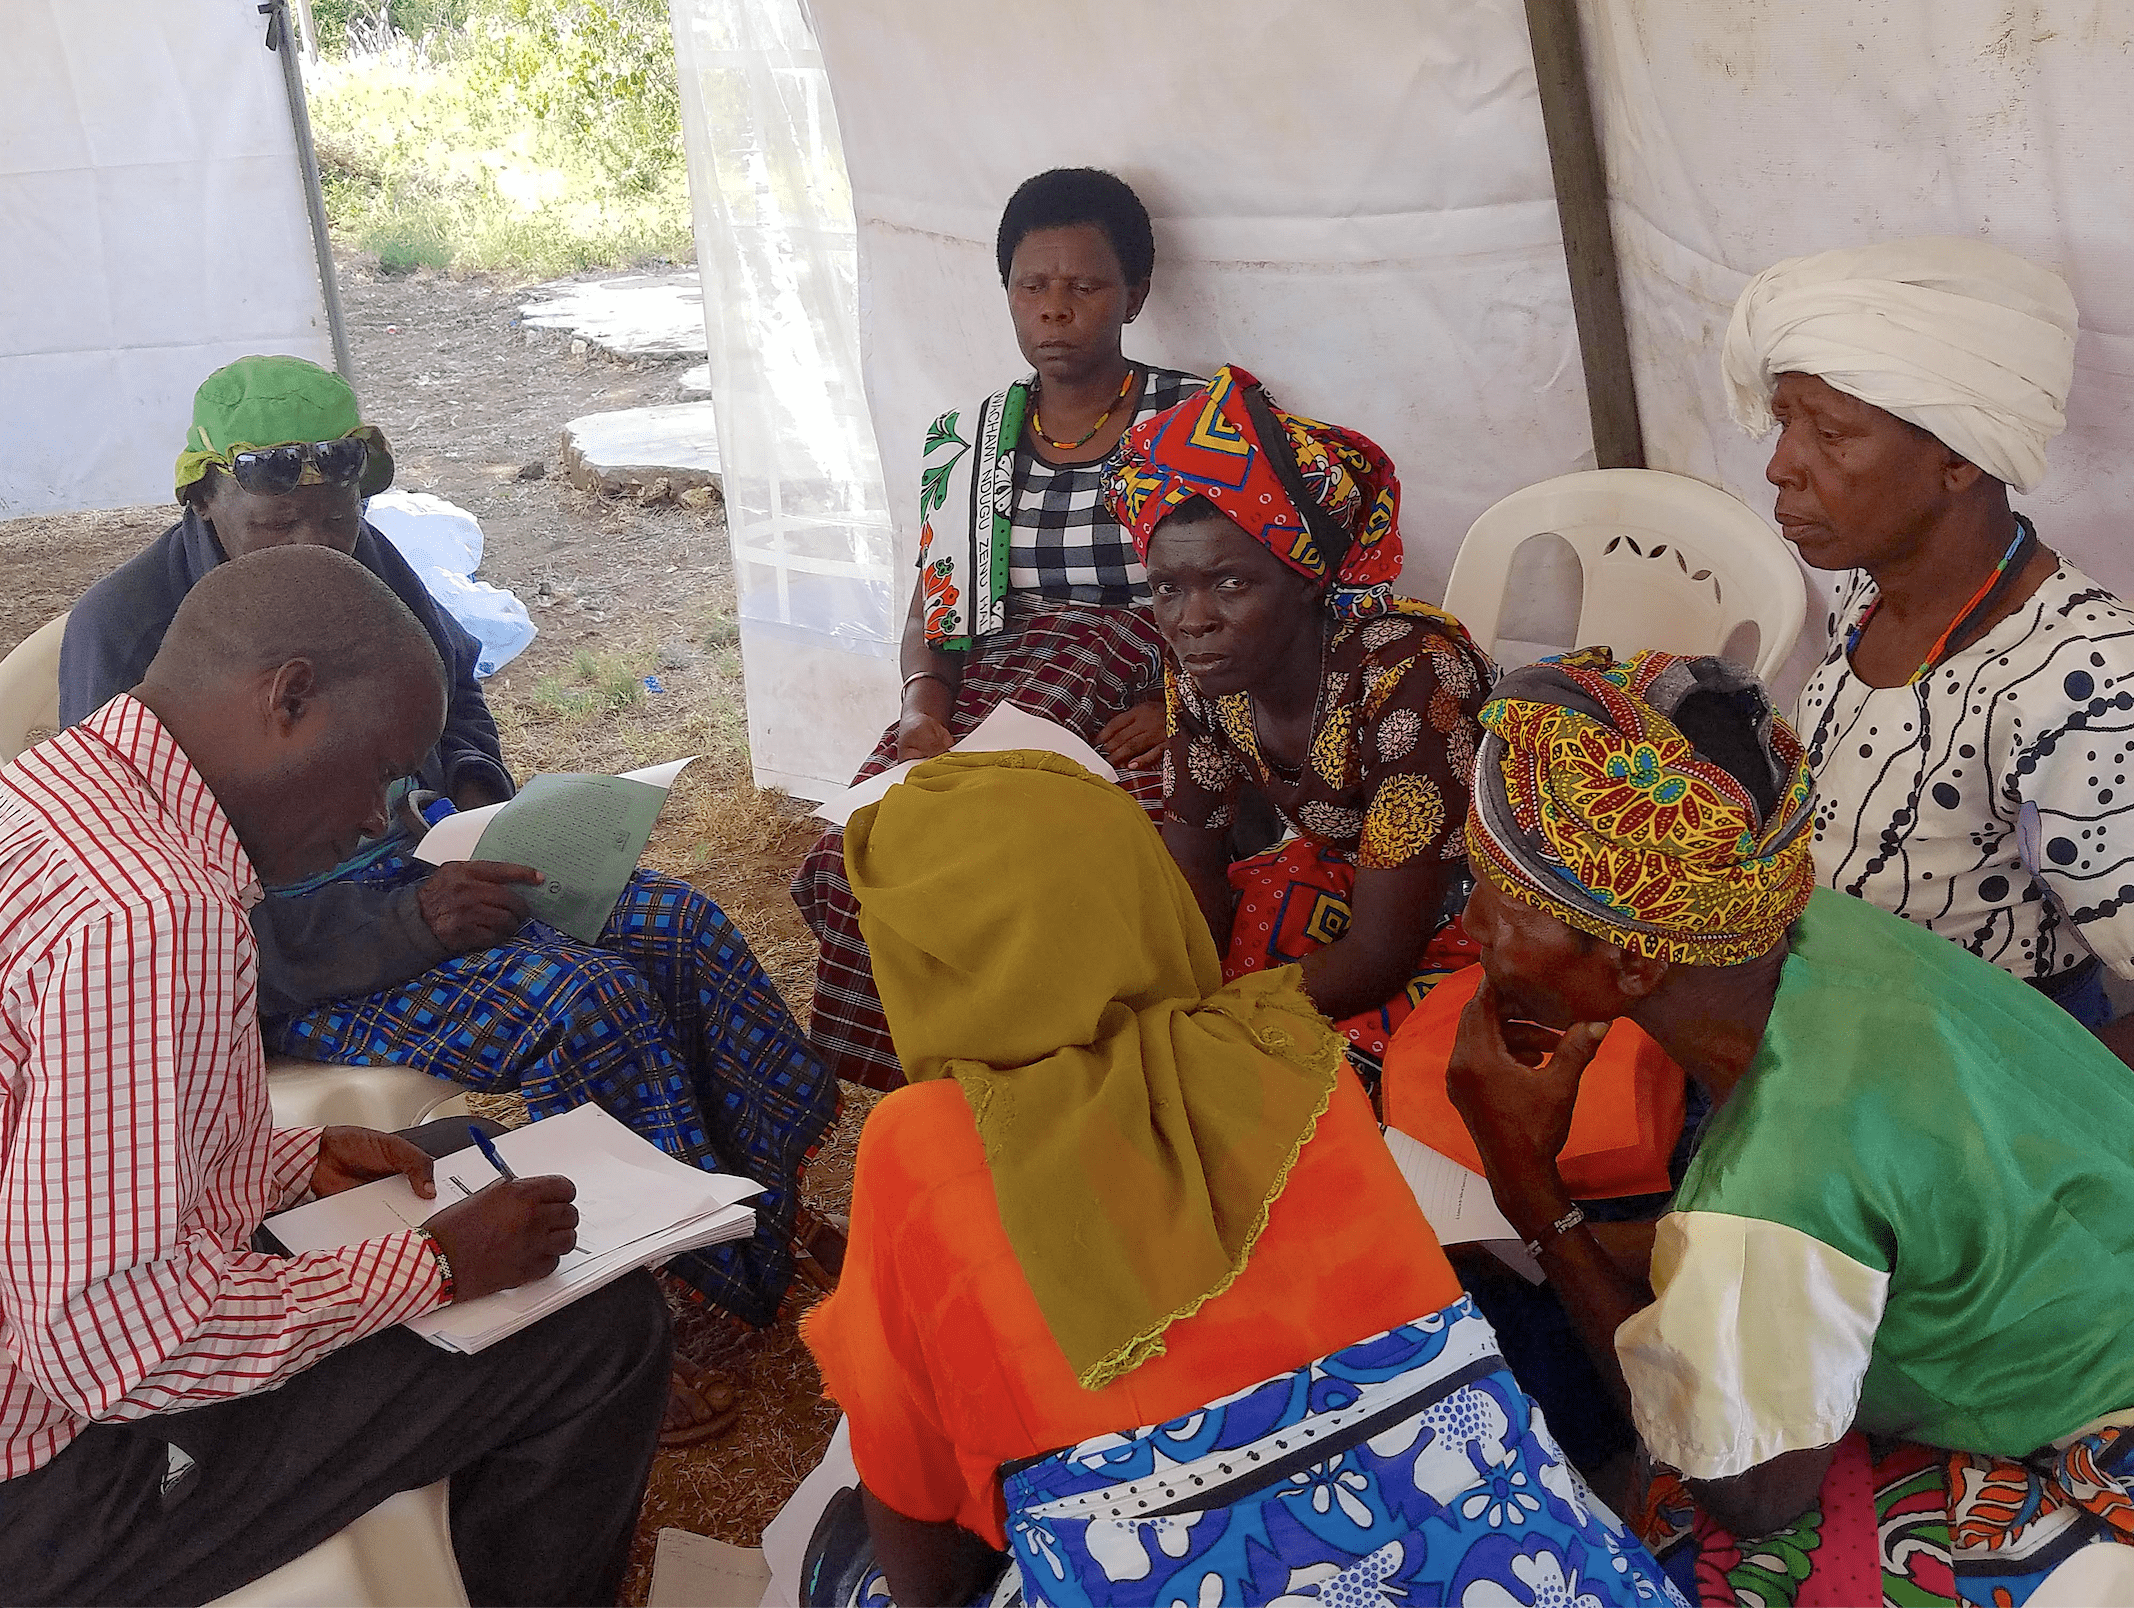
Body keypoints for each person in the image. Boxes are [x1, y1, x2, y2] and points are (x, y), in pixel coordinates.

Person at [58, 355, 837, 1383]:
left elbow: (449, 689)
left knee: (679, 925)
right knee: (582, 1001)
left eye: (331, 519)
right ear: (204, 494)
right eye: (275, 524)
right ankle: (664, 1280)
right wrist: (411, 924)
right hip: (292, 948)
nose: (310, 545)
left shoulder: (356, 558)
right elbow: (191, 907)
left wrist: (477, 804)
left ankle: (753, 1200)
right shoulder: (125, 636)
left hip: (425, 867)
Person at [796, 750, 1683, 1607]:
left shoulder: (918, 1144)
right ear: (1143, 896)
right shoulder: (1288, 1048)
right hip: (1529, 1563)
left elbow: (922, 1545)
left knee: (850, 1557)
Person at [0, 546, 669, 1606]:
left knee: (450, 1163)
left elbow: (56, 1142)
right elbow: (108, 1349)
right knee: (596, 1330)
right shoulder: (150, 920)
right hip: (61, 1484)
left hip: (56, 1324)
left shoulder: (58, 793)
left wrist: (290, 1157)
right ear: (292, 698)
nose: (374, 820)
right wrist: (429, 1272)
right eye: (381, 774)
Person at [1444, 647, 2134, 1607]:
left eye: (1504, 896)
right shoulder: (1821, 926)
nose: (1472, 922)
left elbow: (1752, 1489)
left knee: (1699, 1547)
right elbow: (1857, 1190)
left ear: (1634, 967)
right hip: (2092, 1251)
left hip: (2102, 1425)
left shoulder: (1770, 1184)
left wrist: (1533, 1196)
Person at [791, 167, 1203, 1089]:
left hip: (1144, 694)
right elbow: (934, 605)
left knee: (1054, 869)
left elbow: (1263, 595)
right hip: (995, 690)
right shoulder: (968, 441)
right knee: (855, 851)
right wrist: (919, 707)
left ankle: (1058, 1084)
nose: (1055, 309)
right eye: (1033, 285)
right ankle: (936, 1085)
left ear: (1135, 294)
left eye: (1085, 286)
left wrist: (1187, 712)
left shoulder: (1199, 420)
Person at [1723, 237, 2134, 1041]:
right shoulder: (1871, 586)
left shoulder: (2084, 683)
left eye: (1831, 435)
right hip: (1833, 1008)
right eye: (1783, 425)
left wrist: (1998, 1108)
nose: (1780, 466)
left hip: (1966, 1059)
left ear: (1957, 459)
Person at [1103, 364, 1495, 1081]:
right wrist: (1183, 999)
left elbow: (1381, 955)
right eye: (1168, 588)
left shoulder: (1411, 676)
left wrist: (1215, 1024)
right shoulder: (1204, 673)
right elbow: (1194, 868)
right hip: (1364, 882)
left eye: (1232, 583)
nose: (1192, 620)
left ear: (1309, 576)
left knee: (1363, 1072)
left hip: (1479, 911)